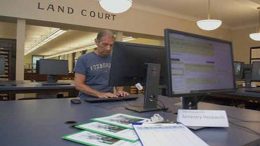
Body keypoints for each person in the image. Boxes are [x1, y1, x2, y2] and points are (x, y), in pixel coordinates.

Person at [74, 30, 129, 99]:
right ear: (96, 42)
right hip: (87, 100)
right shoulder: (83, 59)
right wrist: (99, 94)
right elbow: (78, 84)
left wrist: (120, 91)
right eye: (105, 44)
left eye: (111, 45)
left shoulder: (115, 59)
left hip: (107, 99)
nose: (108, 48)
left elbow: (118, 81)